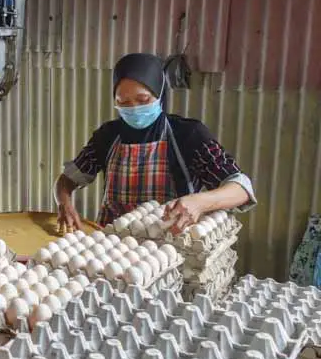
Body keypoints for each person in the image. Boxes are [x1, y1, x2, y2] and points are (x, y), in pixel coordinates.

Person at [55, 53, 256, 232]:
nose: (133, 108)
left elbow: (241, 188)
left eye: (143, 100)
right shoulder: (108, 136)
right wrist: (64, 202)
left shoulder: (188, 134)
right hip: (113, 243)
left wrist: (200, 202)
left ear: (160, 95)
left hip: (168, 247)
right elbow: (68, 180)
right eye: (123, 102)